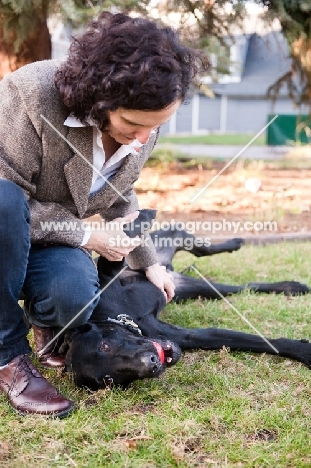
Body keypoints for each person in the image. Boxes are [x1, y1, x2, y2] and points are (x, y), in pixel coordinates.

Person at [0, 12, 209, 417]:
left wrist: (147, 262)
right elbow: (8, 198)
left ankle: (48, 322)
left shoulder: (144, 120)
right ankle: (7, 355)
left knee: (76, 296)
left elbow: (120, 192)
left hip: (47, 241)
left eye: (156, 126)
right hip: (2, 226)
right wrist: (86, 235)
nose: (145, 138)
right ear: (101, 98)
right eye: (133, 124)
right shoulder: (28, 94)